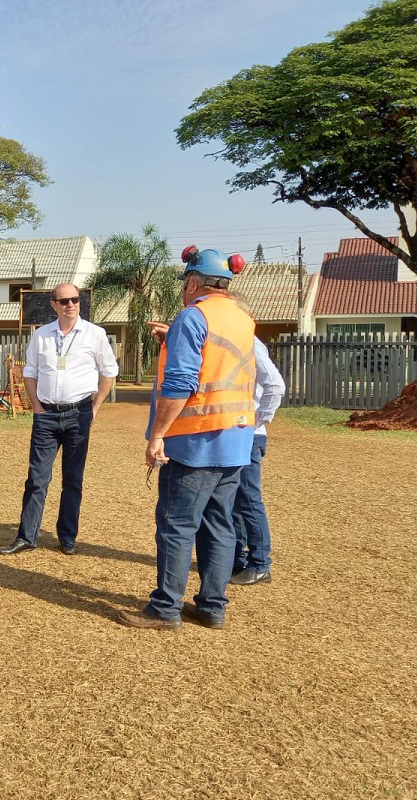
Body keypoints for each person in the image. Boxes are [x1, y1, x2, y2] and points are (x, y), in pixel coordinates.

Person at [117, 247, 255, 631]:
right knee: (219, 525)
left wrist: (157, 434)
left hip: (195, 442)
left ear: (193, 282)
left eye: (184, 284)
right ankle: (212, 607)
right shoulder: (242, 318)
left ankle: (164, 609)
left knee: (176, 525)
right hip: (236, 439)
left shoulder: (192, 316)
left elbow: (180, 384)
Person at [0, 283, 118, 557]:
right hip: (46, 416)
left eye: (75, 299)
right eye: (64, 301)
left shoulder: (95, 335)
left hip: (79, 414)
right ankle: (27, 537)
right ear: (54, 305)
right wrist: (37, 408)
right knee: (36, 478)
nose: (70, 305)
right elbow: (30, 373)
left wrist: (95, 407)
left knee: (72, 479)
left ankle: (67, 537)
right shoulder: (41, 336)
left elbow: (108, 372)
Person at [230, 336, 285, 586]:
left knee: (249, 499)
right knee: (234, 500)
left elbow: (275, 385)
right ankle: (235, 558)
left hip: (249, 434)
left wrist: (258, 420)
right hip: (233, 433)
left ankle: (260, 563)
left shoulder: (249, 342)